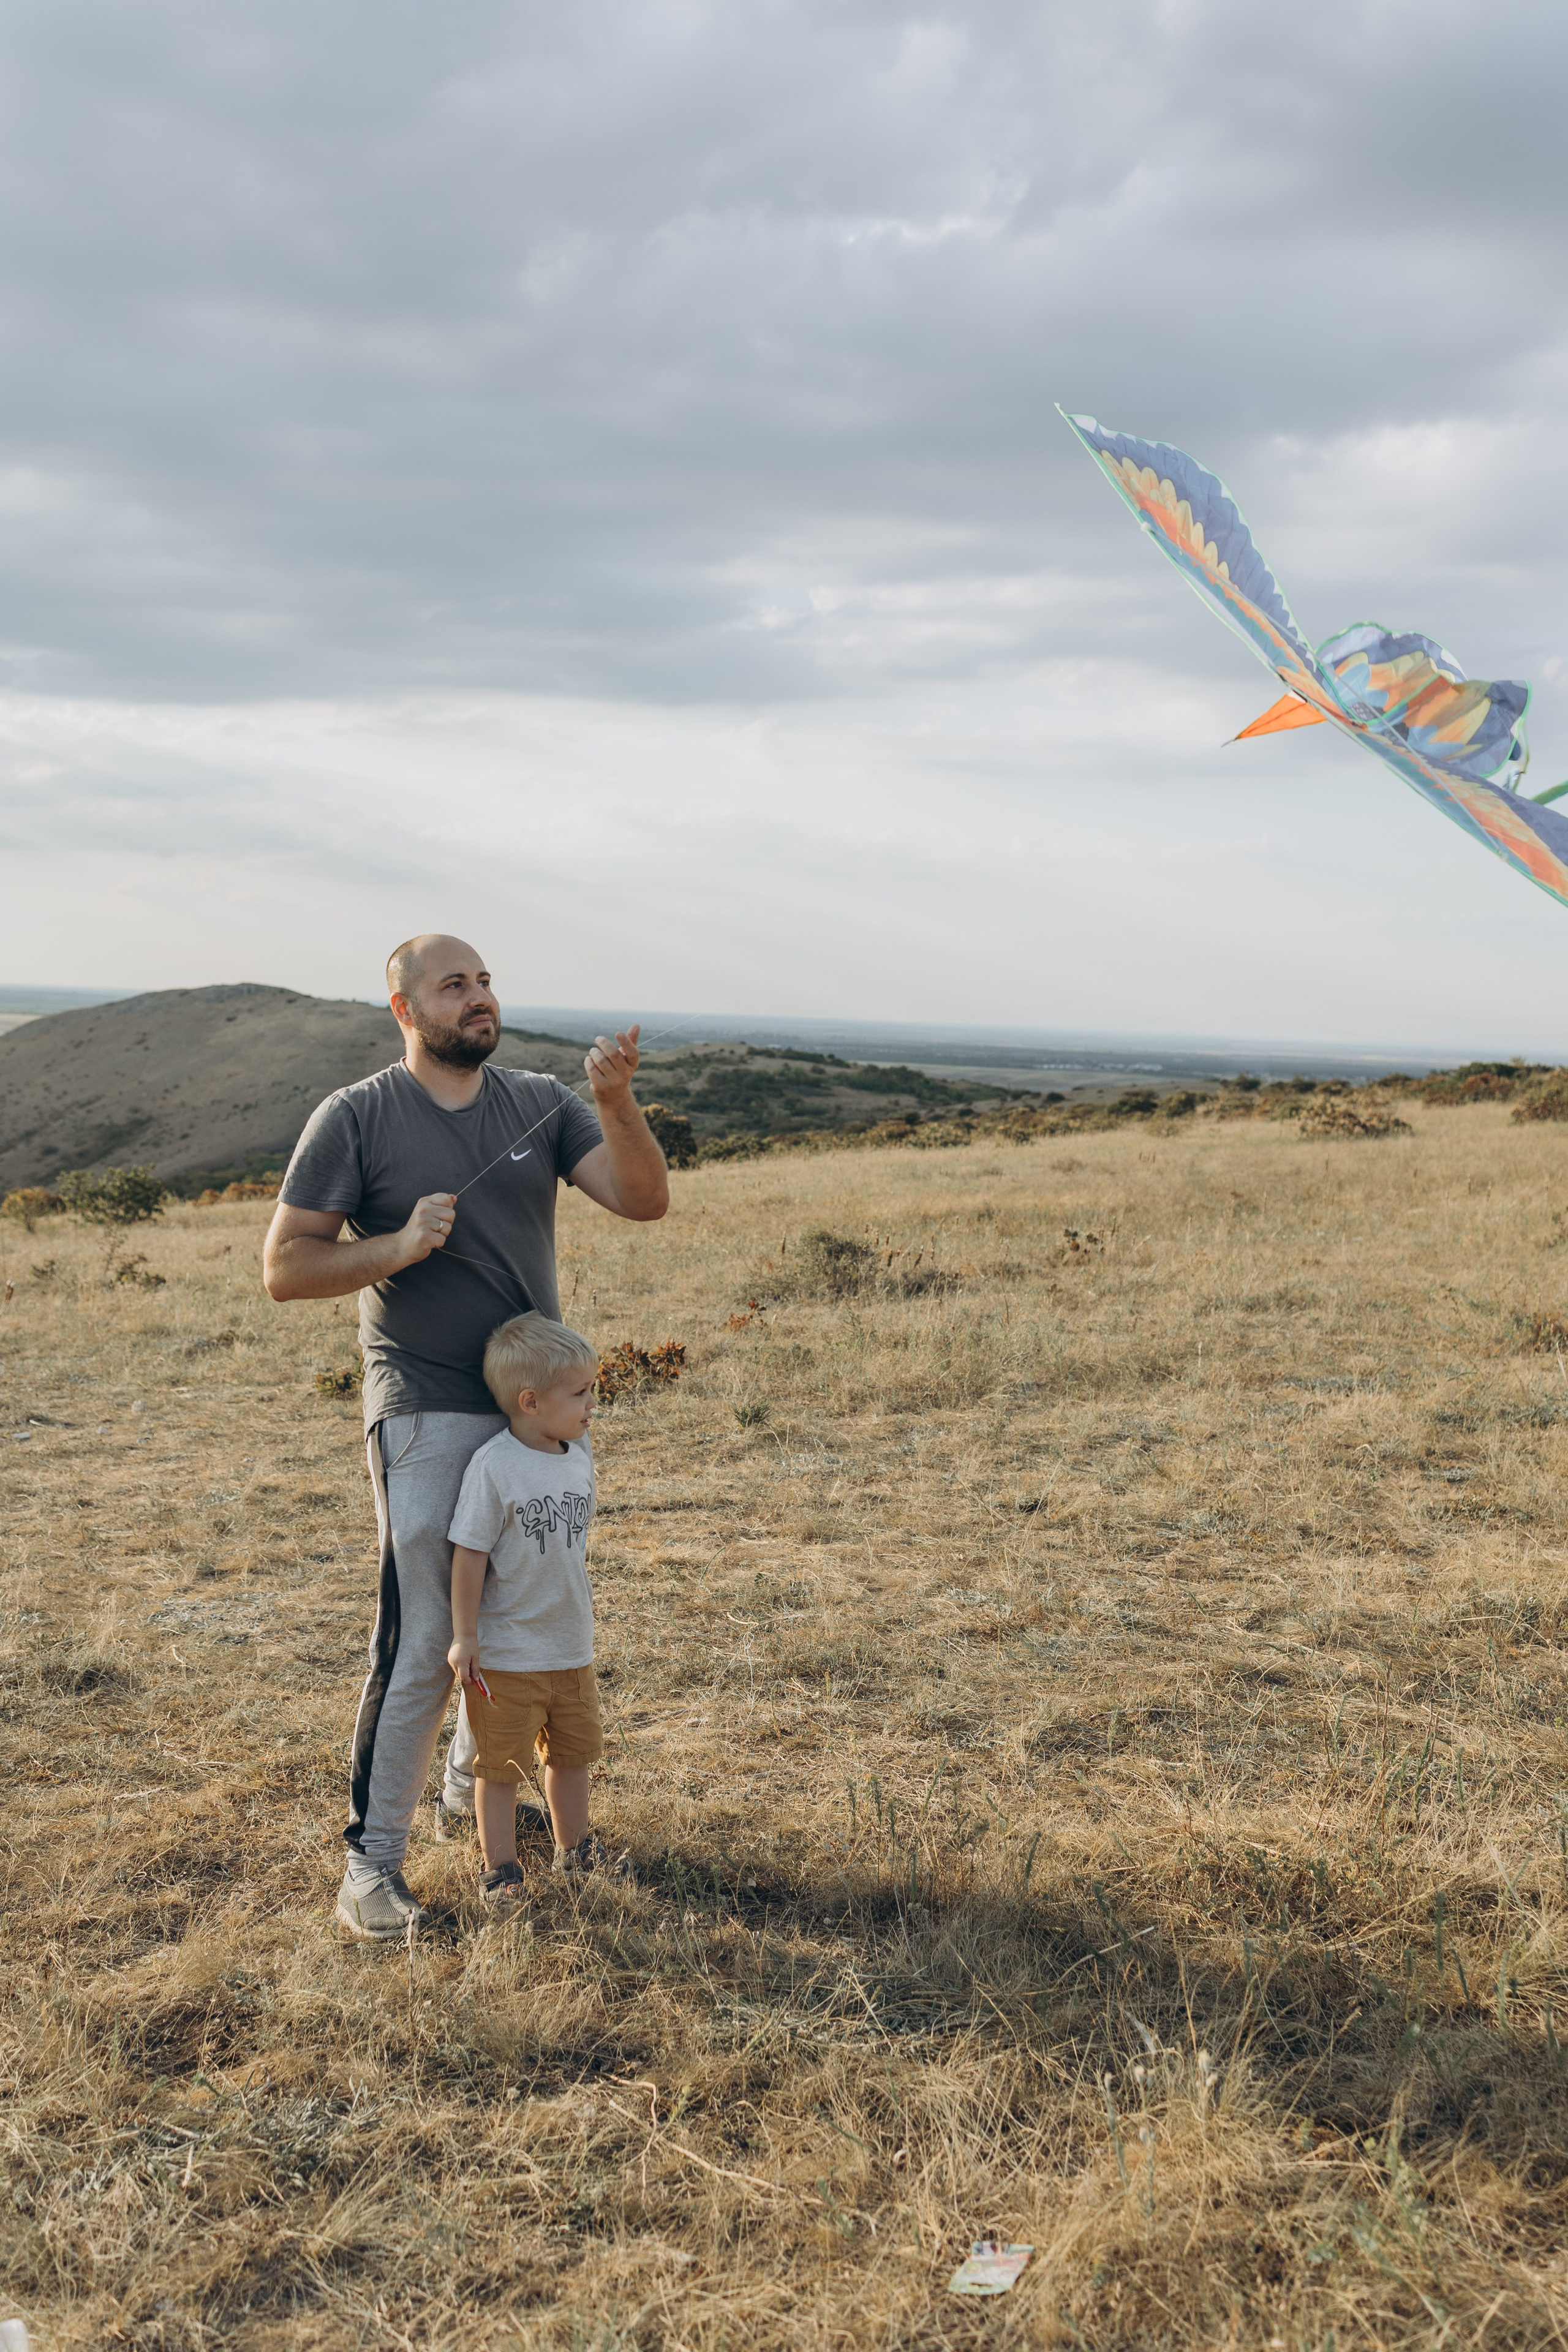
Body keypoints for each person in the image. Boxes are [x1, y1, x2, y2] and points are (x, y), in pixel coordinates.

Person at [262, 934, 668, 1940]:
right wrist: (394, 1248)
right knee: (425, 1637)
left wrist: (616, 1101)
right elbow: (285, 1267)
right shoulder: (355, 1118)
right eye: (455, 986)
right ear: (405, 1009)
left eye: (484, 981)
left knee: (521, 1607)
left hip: (531, 1412)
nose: (480, 998)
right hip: (428, 1405)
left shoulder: (540, 1101)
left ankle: (465, 1791)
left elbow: (644, 1200)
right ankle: (371, 1869)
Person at [447, 1310, 624, 1902]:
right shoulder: (494, 1467)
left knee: (573, 1756)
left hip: (570, 1645)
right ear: (530, 1401)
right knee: (500, 1769)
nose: (591, 1403)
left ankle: (575, 1851)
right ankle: (500, 1869)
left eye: (591, 1389)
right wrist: (464, 1636)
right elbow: (469, 1555)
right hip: (508, 1654)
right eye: (579, 1392)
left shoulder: (575, 1453)